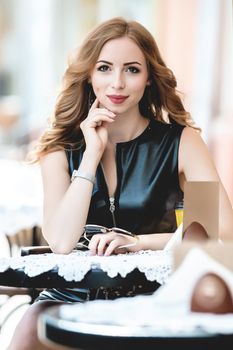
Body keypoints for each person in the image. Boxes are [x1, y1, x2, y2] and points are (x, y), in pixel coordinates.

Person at [8, 17, 233, 350]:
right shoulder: (59, 148)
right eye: (104, 68)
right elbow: (60, 240)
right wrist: (91, 155)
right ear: (88, 75)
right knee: (31, 329)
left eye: (131, 69)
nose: (117, 83)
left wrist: (137, 241)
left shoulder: (182, 143)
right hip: (70, 296)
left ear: (148, 78)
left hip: (155, 296)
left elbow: (219, 233)